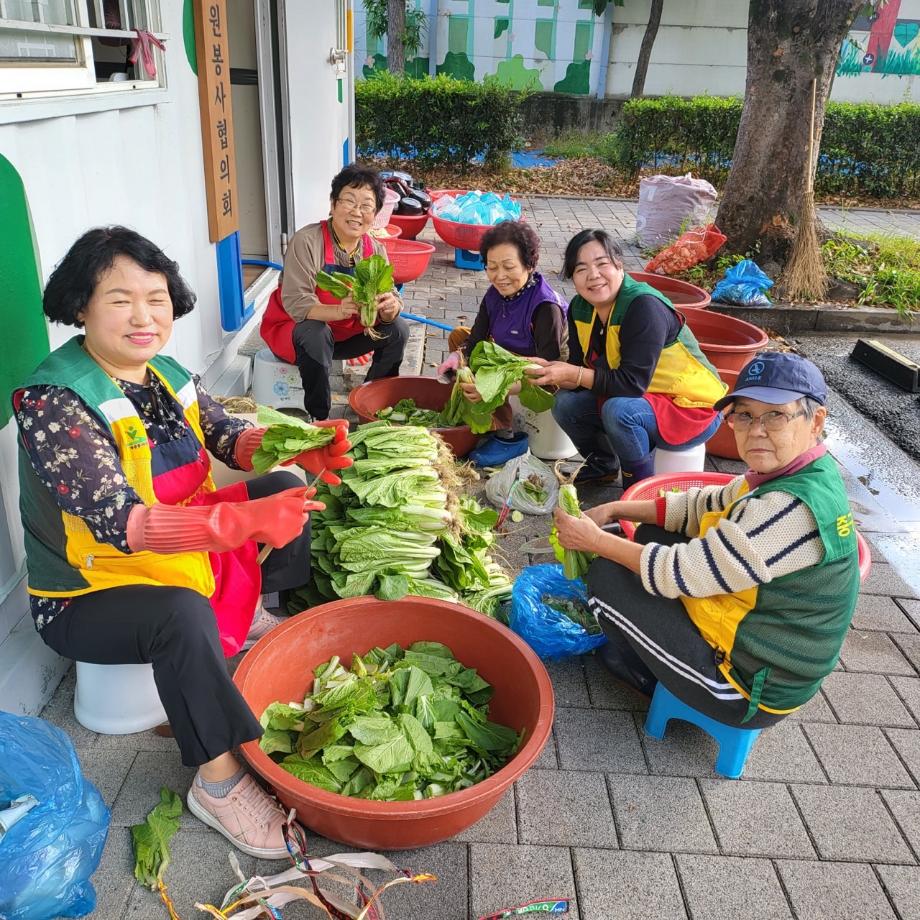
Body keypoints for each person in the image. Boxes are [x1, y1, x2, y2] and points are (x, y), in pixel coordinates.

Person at [13, 227, 353, 859]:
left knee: (282, 485)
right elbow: (122, 522)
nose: (144, 316)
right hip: (85, 594)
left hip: (179, 555)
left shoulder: (165, 371)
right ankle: (218, 784)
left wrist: (293, 444)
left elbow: (225, 434)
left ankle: (251, 621)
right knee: (180, 617)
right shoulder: (54, 401)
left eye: (157, 297)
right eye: (120, 299)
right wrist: (241, 525)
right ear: (81, 306)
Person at [553, 352, 860, 727]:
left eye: (775, 415)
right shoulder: (797, 470)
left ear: (816, 421)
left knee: (605, 576)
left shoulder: (790, 508)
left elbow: (682, 572)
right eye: (744, 415)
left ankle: (646, 674)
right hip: (755, 637)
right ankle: (653, 648)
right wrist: (616, 510)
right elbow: (705, 506)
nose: (756, 429)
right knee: (652, 534)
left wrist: (594, 541)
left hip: (746, 690)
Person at [526, 229, 725, 488]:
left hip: (690, 406)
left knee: (619, 410)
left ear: (619, 264)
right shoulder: (580, 308)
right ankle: (602, 466)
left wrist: (572, 374)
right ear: (572, 277)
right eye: (581, 269)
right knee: (564, 403)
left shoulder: (644, 307)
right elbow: (577, 368)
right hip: (643, 397)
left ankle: (638, 489)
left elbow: (631, 384)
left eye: (602, 264)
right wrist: (548, 371)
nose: (593, 276)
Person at [260, 164, 409, 420]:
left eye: (366, 206)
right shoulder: (307, 241)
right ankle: (320, 416)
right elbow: (297, 304)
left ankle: (369, 405)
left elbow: (390, 294)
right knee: (315, 331)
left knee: (398, 329)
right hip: (296, 335)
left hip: (345, 336)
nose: (356, 212)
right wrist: (339, 310)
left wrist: (390, 308)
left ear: (375, 214)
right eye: (349, 201)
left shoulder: (375, 250)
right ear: (332, 204)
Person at [437, 220, 568, 466]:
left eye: (509, 267)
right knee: (458, 337)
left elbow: (547, 372)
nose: (499, 276)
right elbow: (475, 338)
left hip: (545, 370)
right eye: (492, 267)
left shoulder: (546, 307)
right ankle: (484, 419)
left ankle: (507, 435)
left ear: (529, 264)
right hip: (510, 356)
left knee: (492, 369)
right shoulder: (494, 294)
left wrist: (495, 387)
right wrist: (458, 356)